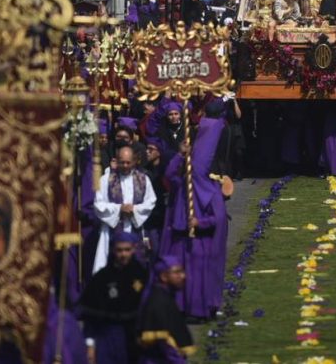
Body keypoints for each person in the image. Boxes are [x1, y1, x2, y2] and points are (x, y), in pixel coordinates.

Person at [159, 108, 228, 321]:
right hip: (181, 235)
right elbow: (169, 175)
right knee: (179, 273)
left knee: (198, 275)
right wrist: (180, 154)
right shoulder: (182, 183)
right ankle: (180, 308)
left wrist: (200, 221)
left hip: (200, 239)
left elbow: (219, 218)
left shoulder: (212, 189)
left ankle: (199, 310)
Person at [79, 231, 147, 363]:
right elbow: (90, 317)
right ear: (112, 250)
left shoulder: (142, 275)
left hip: (135, 338)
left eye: (127, 250)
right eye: (119, 250)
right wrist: (90, 345)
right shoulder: (101, 278)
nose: (123, 254)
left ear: (133, 249)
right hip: (107, 338)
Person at [92, 146, 157, 274]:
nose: (126, 165)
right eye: (122, 162)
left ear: (134, 161)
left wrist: (135, 209)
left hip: (135, 228)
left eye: (128, 162)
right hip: (112, 230)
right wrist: (119, 209)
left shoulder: (143, 179)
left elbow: (151, 201)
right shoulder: (106, 180)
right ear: (117, 161)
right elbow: (98, 204)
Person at [136, 256, 195, 363]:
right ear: (164, 276)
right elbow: (164, 343)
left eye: (182, 271)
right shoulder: (159, 302)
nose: (183, 276)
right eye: (176, 272)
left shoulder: (166, 296)